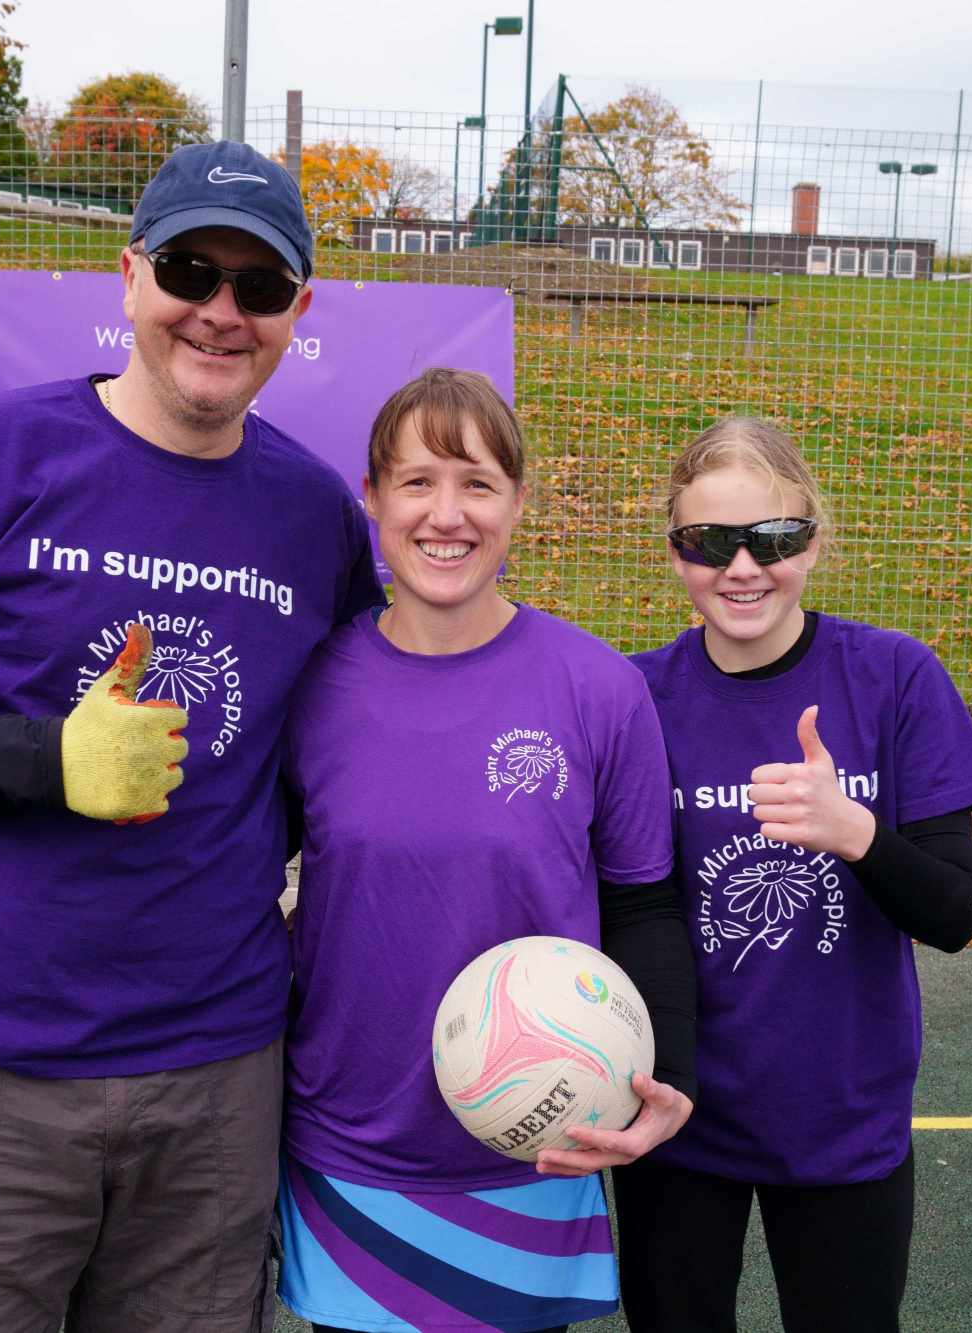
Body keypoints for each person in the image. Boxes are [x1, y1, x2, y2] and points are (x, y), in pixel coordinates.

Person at [0, 139, 384, 1332]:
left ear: (295, 314)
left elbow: (349, 749)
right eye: (188, 271)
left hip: (216, 1068)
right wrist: (48, 759)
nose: (219, 312)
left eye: (258, 288)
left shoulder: (313, 516)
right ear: (129, 277)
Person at [274, 368, 698, 1333]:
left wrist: (667, 1077)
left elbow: (642, 904)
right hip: (352, 1142)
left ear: (519, 503)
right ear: (372, 499)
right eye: (417, 481)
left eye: (477, 482)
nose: (447, 514)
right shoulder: (313, 682)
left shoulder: (598, 688)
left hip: (537, 1139)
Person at [617, 416, 972, 1333]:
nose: (742, 568)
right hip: (678, 1113)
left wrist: (856, 832)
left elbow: (955, 913)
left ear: (815, 540)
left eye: (773, 539)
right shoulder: (634, 696)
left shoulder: (895, 678)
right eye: (709, 542)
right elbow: (629, 905)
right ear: (675, 552)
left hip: (843, 1114)